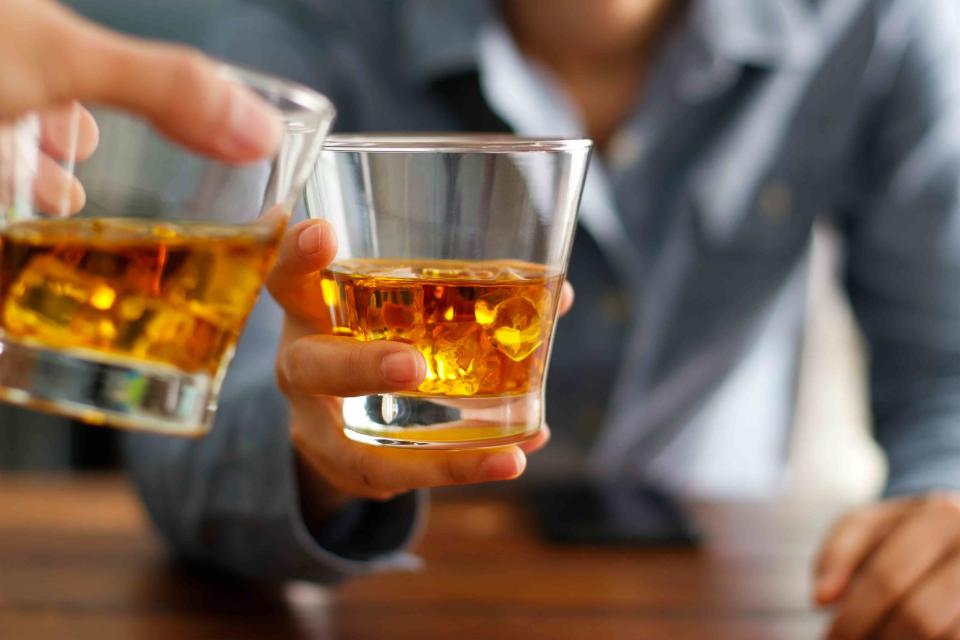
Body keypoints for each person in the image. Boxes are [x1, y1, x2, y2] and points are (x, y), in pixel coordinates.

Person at [7, 1, 960, 638]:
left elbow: (946, 368)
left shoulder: (879, 24)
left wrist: (946, 513)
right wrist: (313, 458)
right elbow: (184, 419)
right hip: (369, 610)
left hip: (724, 599)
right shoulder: (298, 21)